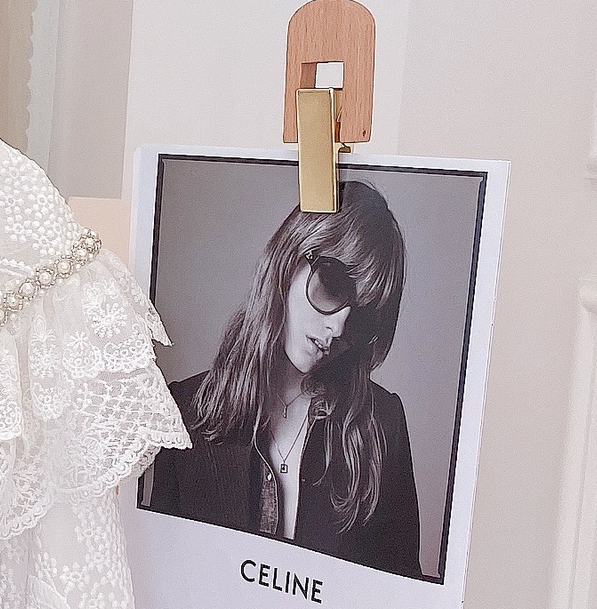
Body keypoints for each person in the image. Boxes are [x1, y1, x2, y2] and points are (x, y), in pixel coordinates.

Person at [143, 181, 425, 577]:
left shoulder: (382, 424)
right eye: (333, 286)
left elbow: (401, 595)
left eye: (362, 315)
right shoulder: (185, 412)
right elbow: (163, 575)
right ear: (289, 259)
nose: (338, 327)